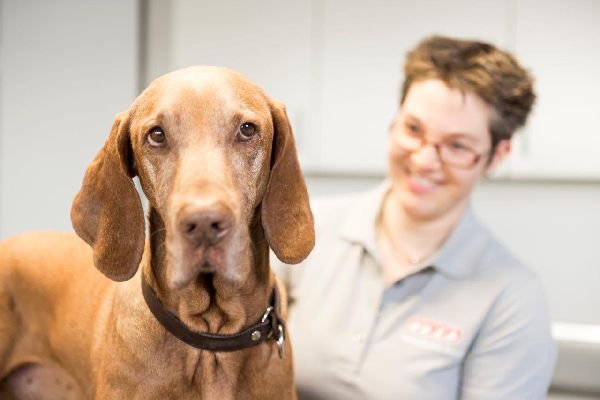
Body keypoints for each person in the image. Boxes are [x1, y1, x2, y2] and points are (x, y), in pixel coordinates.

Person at [272, 35, 557, 400]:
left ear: (497, 156)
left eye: (457, 146)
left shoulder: (511, 299)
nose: (423, 160)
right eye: (413, 130)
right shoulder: (303, 232)